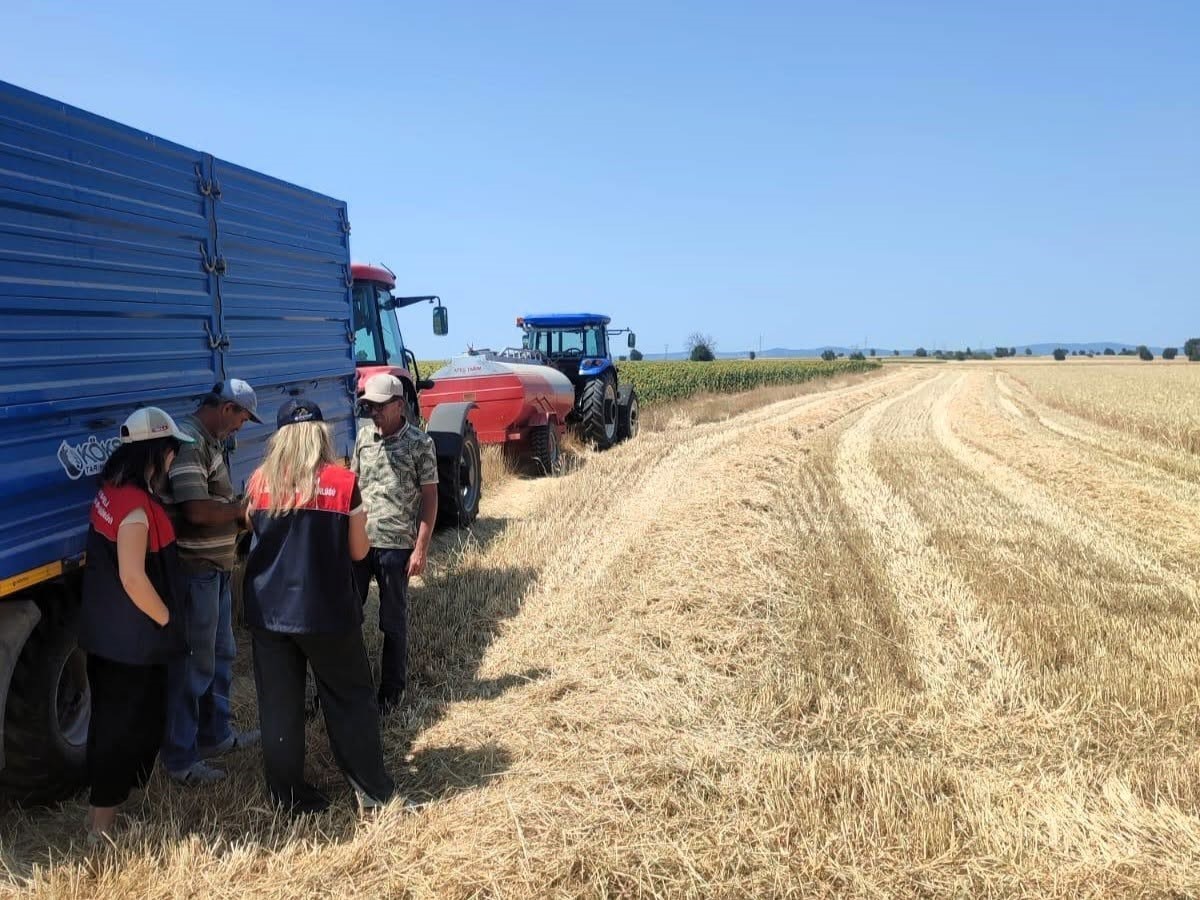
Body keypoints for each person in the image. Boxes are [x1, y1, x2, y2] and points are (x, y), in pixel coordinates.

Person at [242, 398, 395, 813]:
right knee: (349, 699)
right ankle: (371, 792)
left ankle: (287, 796)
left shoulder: (258, 482)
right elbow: (360, 551)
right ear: (321, 434)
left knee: (279, 706)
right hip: (326, 612)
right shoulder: (343, 483)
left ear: (279, 439)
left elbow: (252, 531)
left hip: (268, 613)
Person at [79, 408, 193, 840]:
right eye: (172, 452)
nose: (173, 461)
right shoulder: (135, 508)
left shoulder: (112, 491)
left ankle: (101, 820)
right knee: (123, 729)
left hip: (108, 636)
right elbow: (132, 575)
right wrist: (166, 618)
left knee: (111, 724)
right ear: (158, 452)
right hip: (131, 643)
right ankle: (101, 831)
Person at [160, 379, 262, 785]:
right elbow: (197, 512)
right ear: (226, 408)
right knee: (193, 665)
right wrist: (242, 511)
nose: (242, 427)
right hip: (196, 571)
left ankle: (215, 735)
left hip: (215, 571)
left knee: (221, 655)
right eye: (242, 417)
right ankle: (180, 759)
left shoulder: (212, 443)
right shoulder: (190, 443)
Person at [352, 373, 438, 711]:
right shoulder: (363, 439)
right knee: (346, 617)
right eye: (369, 406)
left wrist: (421, 548)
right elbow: (353, 488)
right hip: (359, 543)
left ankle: (390, 694)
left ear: (399, 405)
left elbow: (430, 497)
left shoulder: (420, 443)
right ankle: (351, 686)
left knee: (392, 621)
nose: (373, 412)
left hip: (396, 546)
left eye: (379, 406)